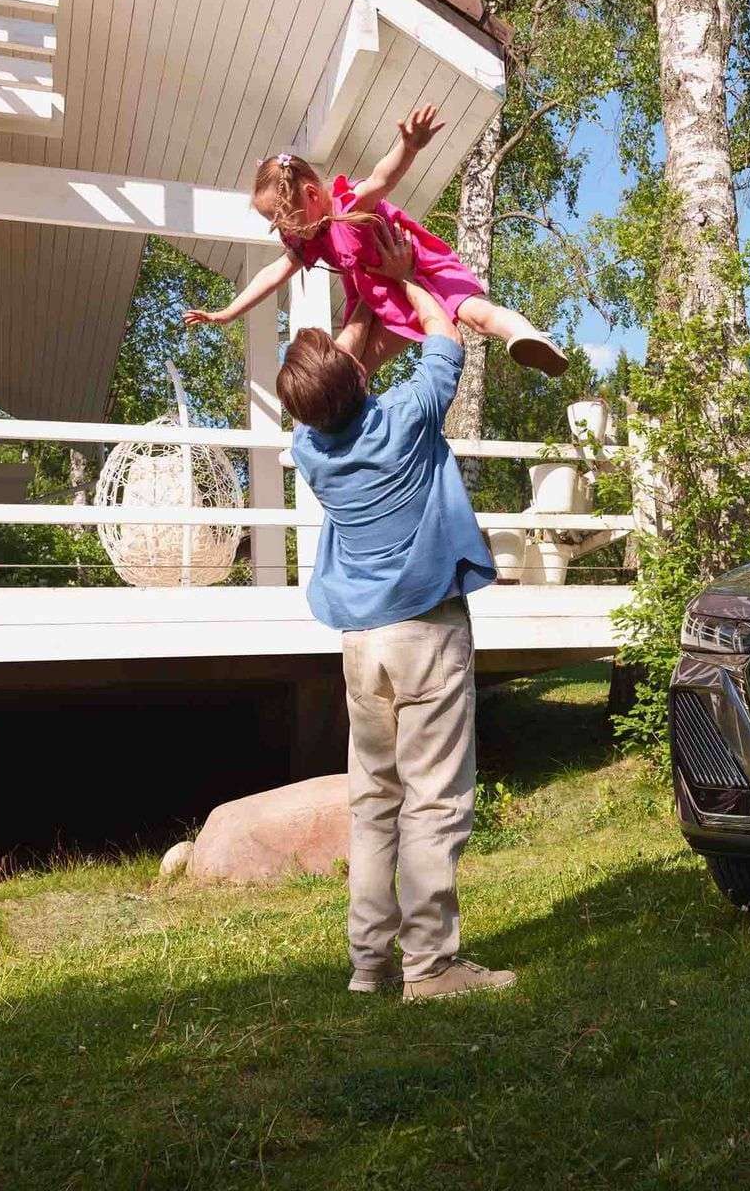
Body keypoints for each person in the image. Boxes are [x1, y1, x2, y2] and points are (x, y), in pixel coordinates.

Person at [277, 218, 516, 1003]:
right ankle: (431, 968)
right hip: (425, 632)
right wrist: (407, 275)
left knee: (374, 802)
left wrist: (362, 291)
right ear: (353, 381)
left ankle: (369, 964)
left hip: (362, 642)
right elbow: (445, 335)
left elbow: (337, 377)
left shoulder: (311, 450)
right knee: (434, 802)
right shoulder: (407, 418)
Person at [185, 104, 567, 379]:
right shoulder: (310, 236)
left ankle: (524, 334)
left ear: (312, 195)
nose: (287, 231)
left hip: (421, 269)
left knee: (479, 316)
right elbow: (273, 273)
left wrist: (409, 147)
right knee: (352, 366)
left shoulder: (350, 206)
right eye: (277, 224)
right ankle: (337, 425)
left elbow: (382, 179)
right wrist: (229, 312)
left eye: (288, 220)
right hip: (380, 296)